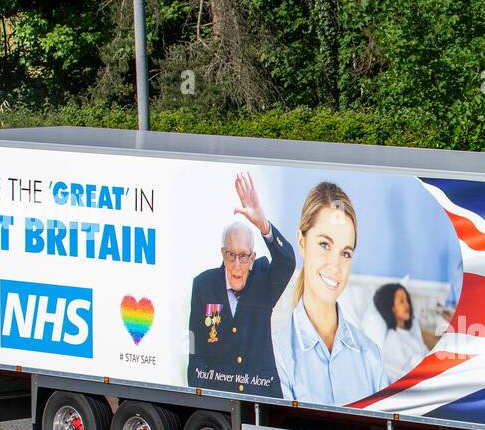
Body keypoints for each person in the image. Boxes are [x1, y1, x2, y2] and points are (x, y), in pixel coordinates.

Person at [272, 182, 387, 405]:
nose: (335, 265)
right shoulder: (278, 353)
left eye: (345, 253)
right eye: (325, 244)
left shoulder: (371, 356)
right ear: (301, 242)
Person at [187, 172, 295, 396]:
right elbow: (195, 345)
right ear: (222, 254)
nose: (237, 264)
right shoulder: (203, 285)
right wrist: (201, 393)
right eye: (231, 255)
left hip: (261, 393)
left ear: (252, 257)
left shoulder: (263, 280)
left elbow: (287, 261)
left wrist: (263, 225)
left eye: (243, 256)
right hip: (220, 394)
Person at [373, 282, 447, 381]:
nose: (407, 305)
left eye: (407, 300)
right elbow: (403, 375)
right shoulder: (393, 340)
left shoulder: (410, 333)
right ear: (392, 308)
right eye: (401, 301)